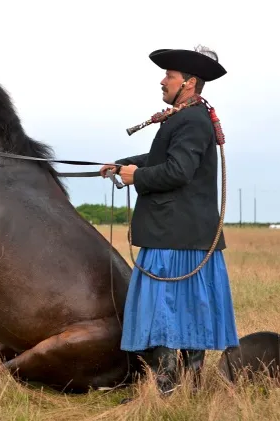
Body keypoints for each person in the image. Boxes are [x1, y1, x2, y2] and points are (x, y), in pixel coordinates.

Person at [100, 45, 239, 402]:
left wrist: (136, 178)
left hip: (175, 238)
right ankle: (186, 388)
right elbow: (162, 158)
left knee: (164, 313)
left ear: (189, 83)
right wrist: (122, 165)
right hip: (183, 237)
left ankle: (166, 389)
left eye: (170, 76)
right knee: (188, 313)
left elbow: (178, 171)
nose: (163, 81)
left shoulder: (191, 120)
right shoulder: (190, 116)